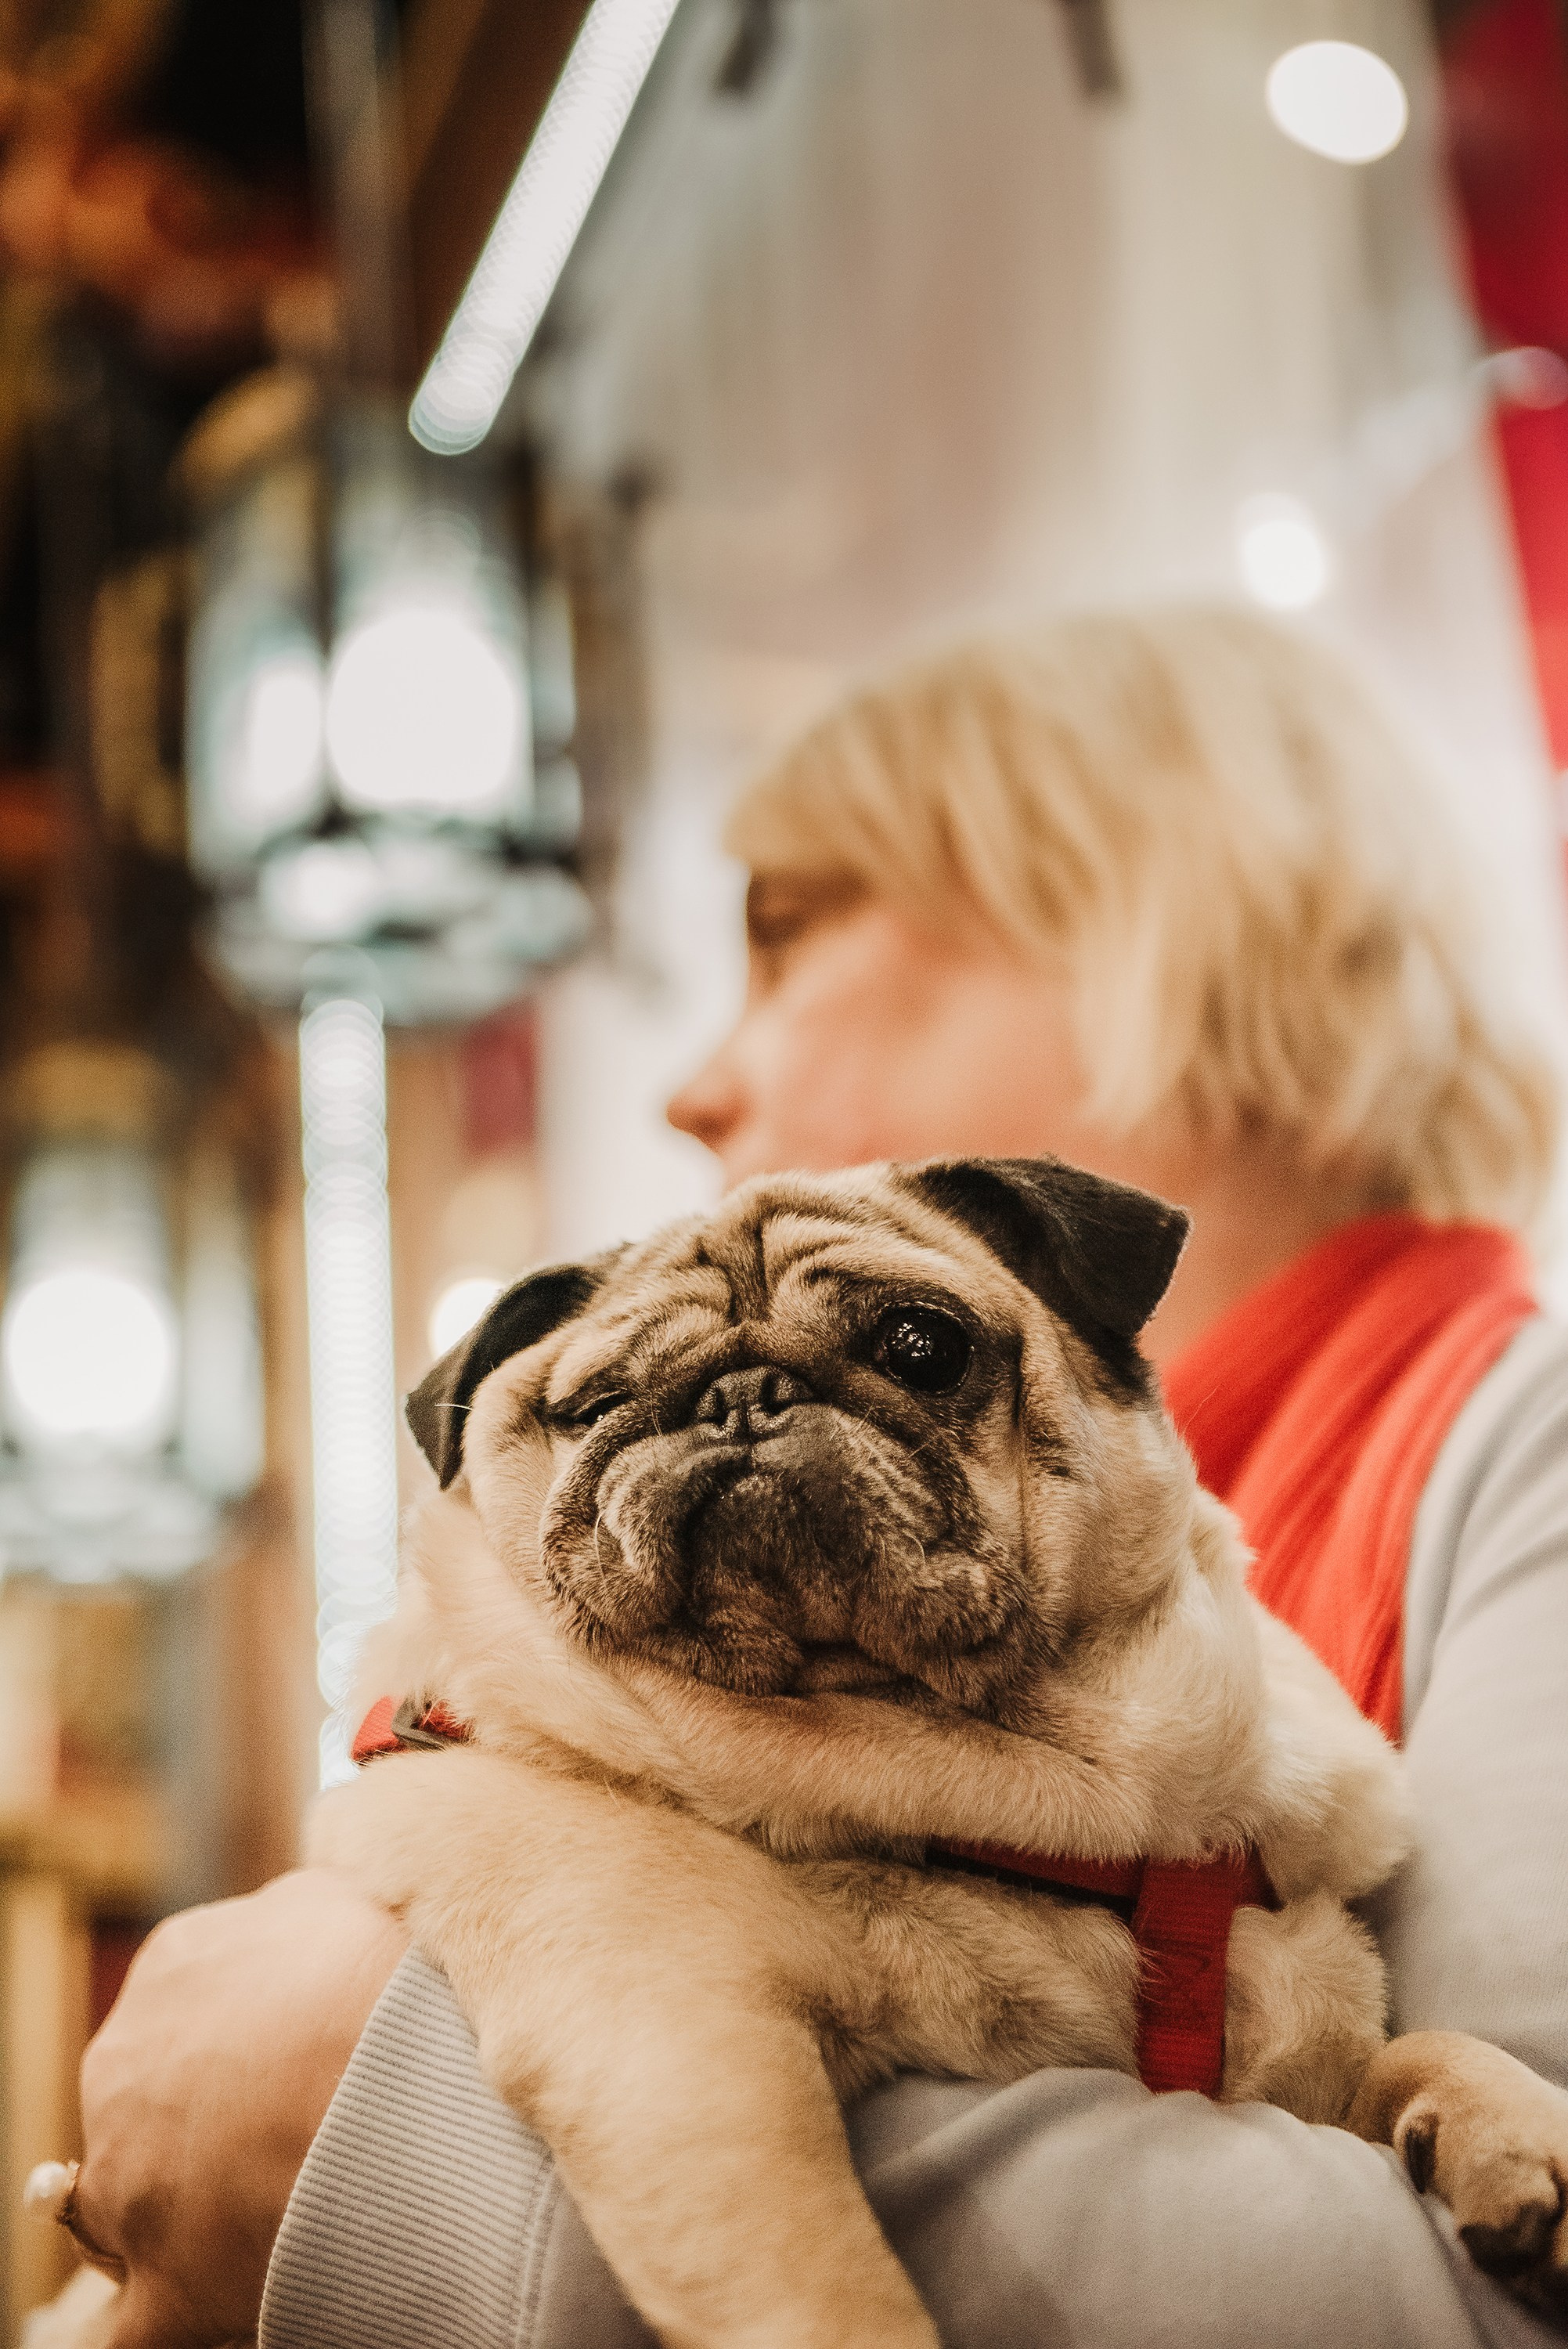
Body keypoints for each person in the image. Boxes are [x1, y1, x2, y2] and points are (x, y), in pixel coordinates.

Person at [70, 608, 1568, 2348]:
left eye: (783, 945)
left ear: (1152, 916)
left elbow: (1494, 2302)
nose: (700, 1085)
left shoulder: (1520, 1449)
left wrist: (401, 2136)